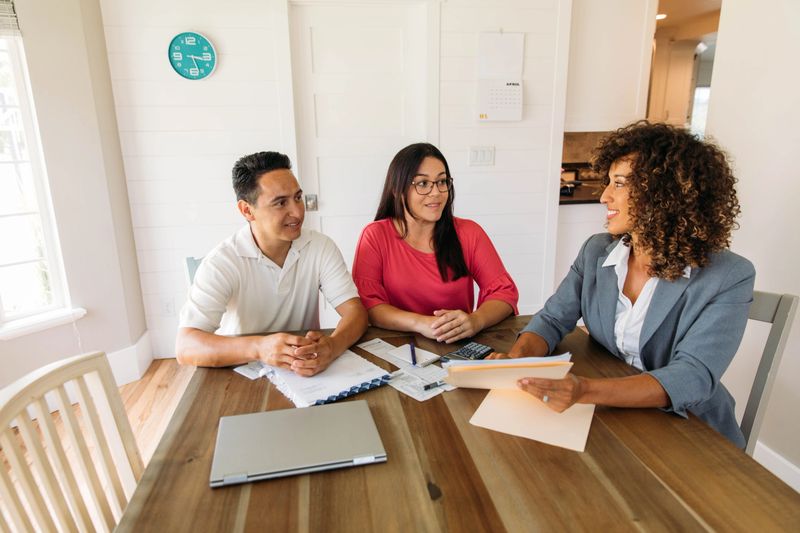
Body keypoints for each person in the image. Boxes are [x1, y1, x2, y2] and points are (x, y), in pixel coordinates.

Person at [491, 121, 754, 447]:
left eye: (618, 183)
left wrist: (584, 390)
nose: (604, 196)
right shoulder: (596, 251)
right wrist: (518, 361)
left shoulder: (729, 276)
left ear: (664, 194)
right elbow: (552, 319)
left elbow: (692, 376)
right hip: (615, 413)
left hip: (691, 429)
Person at [175, 151, 368, 376]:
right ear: (247, 210)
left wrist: (332, 346)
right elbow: (185, 347)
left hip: (305, 372)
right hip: (243, 372)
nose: (297, 212)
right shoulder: (221, 262)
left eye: (298, 198)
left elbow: (356, 313)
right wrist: (259, 348)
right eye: (280, 203)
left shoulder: (320, 246)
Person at [352, 142, 518, 344]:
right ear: (397, 189)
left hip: (456, 344)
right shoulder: (375, 236)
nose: (436, 192)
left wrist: (476, 320)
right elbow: (368, 305)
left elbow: (504, 292)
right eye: (423, 183)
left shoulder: (469, 233)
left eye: (441, 181)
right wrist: (421, 323)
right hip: (396, 347)